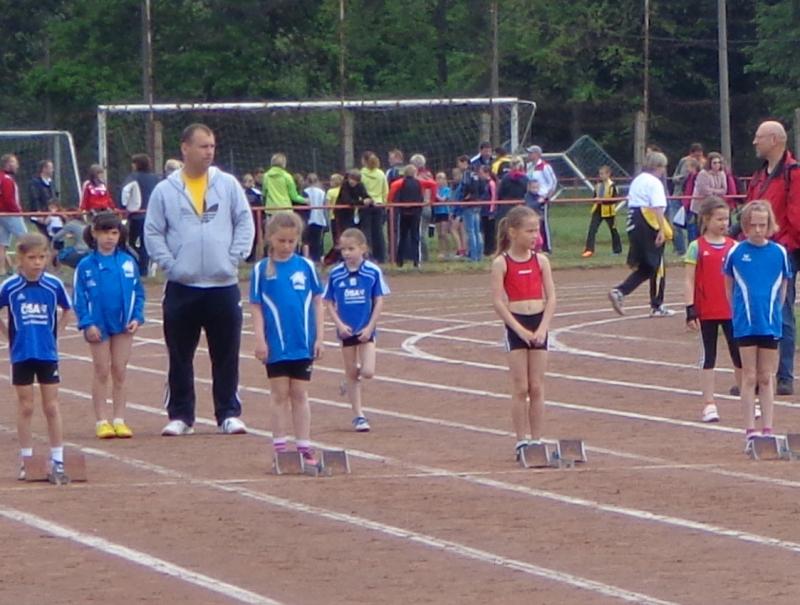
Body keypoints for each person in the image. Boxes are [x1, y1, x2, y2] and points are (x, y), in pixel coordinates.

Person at [145, 123, 255, 436]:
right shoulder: (166, 190)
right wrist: (171, 265)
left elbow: (244, 221)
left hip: (223, 285)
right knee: (180, 355)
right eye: (203, 146)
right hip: (182, 286)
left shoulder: (228, 184)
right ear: (185, 148)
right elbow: (153, 231)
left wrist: (234, 258)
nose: (209, 152)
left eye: (212, 146)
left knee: (227, 354)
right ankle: (181, 415)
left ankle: (228, 413)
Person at [250, 212, 324, 465]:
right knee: (279, 394)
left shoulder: (306, 266)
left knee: (300, 394)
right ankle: (280, 447)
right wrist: (260, 340)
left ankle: (304, 446)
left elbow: (318, 301)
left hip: (302, 342)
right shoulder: (261, 270)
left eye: (291, 241)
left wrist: (320, 337)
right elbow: (256, 307)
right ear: (271, 238)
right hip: (276, 343)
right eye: (281, 241)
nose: (286, 246)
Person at [0, 233, 72, 483]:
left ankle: (58, 458)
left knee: (51, 406)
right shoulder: (10, 287)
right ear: (20, 258)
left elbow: (67, 309)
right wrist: (9, 335)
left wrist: (57, 333)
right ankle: (27, 458)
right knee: (26, 406)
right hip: (21, 354)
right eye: (31, 258)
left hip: (47, 353)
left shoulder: (53, 284)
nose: (37, 262)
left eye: (42, 257)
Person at [723, 201, 791, 452]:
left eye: (763, 225)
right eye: (753, 225)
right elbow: (729, 286)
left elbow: (783, 287)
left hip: (770, 323)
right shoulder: (736, 252)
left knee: (766, 376)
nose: (758, 230)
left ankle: (768, 428)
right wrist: (738, 313)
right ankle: (750, 430)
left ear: (769, 225)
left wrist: (774, 312)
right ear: (745, 225)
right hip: (745, 324)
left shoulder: (779, 253)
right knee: (749, 376)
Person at [490, 206, 556, 462]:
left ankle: (537, 439)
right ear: (513, 232)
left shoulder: (541, 261)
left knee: (537, 386)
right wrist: (519, 329)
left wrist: (542, 328)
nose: (534, 236)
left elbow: (551, 297)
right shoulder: (501, 263)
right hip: (516, 325)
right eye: (529, 231)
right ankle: (521, 440)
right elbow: (498, 301)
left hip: (538, 323)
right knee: (521, 387)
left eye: (536, 231)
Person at [73, 213, 145, 439]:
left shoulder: (128, 262)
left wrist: (137, 317)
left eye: (114, 233)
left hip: (123, 325)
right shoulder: (85, 265)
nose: (110, 238)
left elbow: (138, 292)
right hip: (98, 325)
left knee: (120, 371)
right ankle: (102, 421)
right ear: (94, 233)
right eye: (105, 232)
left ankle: (119, 419)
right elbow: (79, 297)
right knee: (102, 370)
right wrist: (87, 323)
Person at [745, 120, 800, 396]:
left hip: (783, 250)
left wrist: (780, 247)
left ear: (775, 140)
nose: (755, 142)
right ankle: (756, 375)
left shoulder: (793, 173)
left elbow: (796, 216)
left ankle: (784, 375)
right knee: (757, 309)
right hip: (763, 249)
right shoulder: (759, 176)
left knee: (782, 310)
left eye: (759, 137)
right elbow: (750, 210)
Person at [324, 228, 390, 432]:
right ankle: (358, 415)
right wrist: (339, 325)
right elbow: (328, 302)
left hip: (366, 330)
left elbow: (378, 300)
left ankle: (349, 379)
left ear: (363, 248)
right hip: (346, 331)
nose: (346, 253)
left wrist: (370, 327)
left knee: (367, 371)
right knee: (351, 371)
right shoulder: (336, 274)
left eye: (351, 249)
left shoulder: (372, 271)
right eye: (343, 249)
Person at [684, 197, 741, 423]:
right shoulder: (696, 247)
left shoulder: (734, 247)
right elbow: (689, 279)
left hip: (732, 312)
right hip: (707, 311)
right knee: (708, 357)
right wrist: (690, 308)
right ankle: (709, 404)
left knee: (740, 356)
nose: (724, 223)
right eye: (719, 219)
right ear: (706, 220)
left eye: (726, 219)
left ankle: (748, 398)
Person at [608, 151, 674, 317]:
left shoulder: (638, 180)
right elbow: (657, 207)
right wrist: (661, 229)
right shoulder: (654, 182)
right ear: (658, 166)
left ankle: (620, 291)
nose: (664, 171)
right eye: (663, 167)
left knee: (647, 266)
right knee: (657, 264)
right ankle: (657, 305)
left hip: (633, 222)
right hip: (648, 221)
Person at [387, 164, 437, 268]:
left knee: (402, 237)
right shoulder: (420, 182)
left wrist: (389, 202)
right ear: (415, 173)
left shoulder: (400, 182)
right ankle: (416, 261)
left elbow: (392, 188)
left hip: (404, 212)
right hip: (416, 213)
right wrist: (431, 200)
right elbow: (433, 184)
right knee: (415, 237)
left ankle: (399, 260)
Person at [120, 153, 159, 276]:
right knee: (145, 243)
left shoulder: (133, 177)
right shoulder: (155, 178)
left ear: (137, 164)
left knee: (131, 242)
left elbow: (125, 191)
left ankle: (135, 266)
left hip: (136, 215)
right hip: (151, 214)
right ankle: (144, 269)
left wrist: (124, 206)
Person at [670, 143, 705, 254]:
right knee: (675, 223)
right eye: (695, 155)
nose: (697, 158)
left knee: (692, 225)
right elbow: (674, 177)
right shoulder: (683, 161)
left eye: (699, 155)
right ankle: (680, 249)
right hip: (678, 195)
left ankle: (692, 249)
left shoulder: (705, 164)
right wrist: (682, 177)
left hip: (692, 199)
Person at [583, 165, 622, 257]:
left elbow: (615, 199)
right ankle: (589, 249)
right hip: (598, 210)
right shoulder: (598, 185)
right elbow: (594, 196)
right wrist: (595, 200)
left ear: (608, 174)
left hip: (609, 212)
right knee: (592, 230)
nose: (601, 176)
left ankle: (617, 250)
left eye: (602, 174)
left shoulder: (612, 185)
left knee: (613, 230)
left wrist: (603, 201)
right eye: (600, 174)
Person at [525, 145, 557, 253]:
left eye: (531, 153)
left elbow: (553, 182)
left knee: (543, 222)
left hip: (541, 197)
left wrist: (547, 196)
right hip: (531, 196)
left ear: (537, 154)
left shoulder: (545, 166)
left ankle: (547, 247)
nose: (529, 155)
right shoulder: (529, 166)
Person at [0, 154, 27, 276]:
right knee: (26, 239)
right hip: (9, 214)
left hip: (2, 214)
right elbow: (9, 200)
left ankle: (2, 270)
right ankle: (19, 266)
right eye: (14, 162)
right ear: (8, 164)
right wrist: (18, 211)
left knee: (2, 243)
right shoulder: (7, 180)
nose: (17, 165)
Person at [360, 151, 388, 263]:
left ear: (364, 161)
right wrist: (384, 202)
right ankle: (381, 256)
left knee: (366, 231)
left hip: (366, 205)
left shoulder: (362, 174)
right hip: (379, 204)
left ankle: (367, 255)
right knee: (378, 231)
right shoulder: (381, 174)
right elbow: (385, 190)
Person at [28, 159, 58, 239]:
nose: (52, 170)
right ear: (44, 169)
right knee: (41, 238)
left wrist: (52, 212)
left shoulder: (51, 183)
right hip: (40, 215)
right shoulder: (35, 183)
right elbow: (35, 198)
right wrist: (39, 214)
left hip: (50, 214)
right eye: (51, 168)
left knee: (53, 236)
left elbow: (54, 198)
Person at [496, 156, 528, 223]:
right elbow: (527, 192)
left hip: (506, 206)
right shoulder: (525, 178)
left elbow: (500, 193)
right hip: (520, 205)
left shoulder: (505, 177)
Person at [303, 173, 327, 262]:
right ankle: (317, 259)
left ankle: (309, 258)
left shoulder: (305, 191)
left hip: (309, 219)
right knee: (317, 241)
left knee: (307, 240)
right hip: (319, 218)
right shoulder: (322, 192)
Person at [433, 172, 453, 259]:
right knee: (439, 234)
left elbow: (443, 200)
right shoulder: (435, 189)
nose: (439, 180)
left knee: (444, 233)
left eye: (441, 178)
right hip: (437, 212)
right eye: (438, 178)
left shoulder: (447, 189)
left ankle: (448, 251)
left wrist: (435, 194)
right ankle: (441, 251)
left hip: (445, 212)